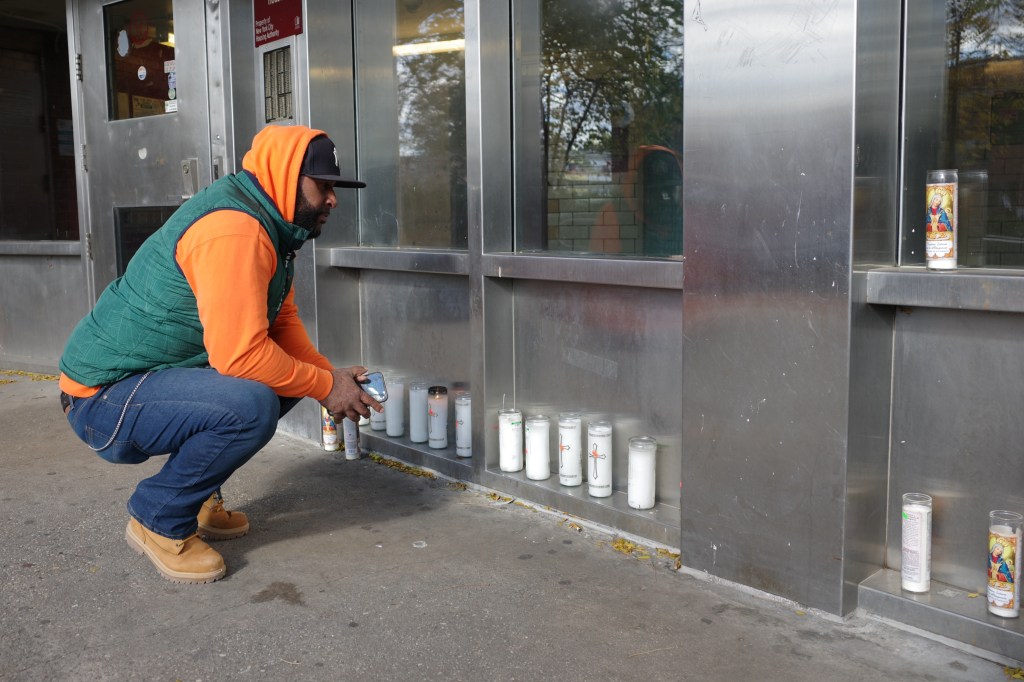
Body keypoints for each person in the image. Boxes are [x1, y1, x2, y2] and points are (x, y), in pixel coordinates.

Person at [58, 125, 382, 584]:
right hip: (102, 398)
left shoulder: (270, 227)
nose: (332, 199)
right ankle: (158, 518)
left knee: (279, 382)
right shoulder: (236, 230)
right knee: (251, 402)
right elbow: (241, 359)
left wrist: (329, 377)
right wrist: (327, 386)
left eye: (334, 188)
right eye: (323, 186)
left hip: (146, 380)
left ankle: (199, 496)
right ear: (287, 177)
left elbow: (281, 325)